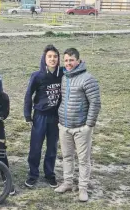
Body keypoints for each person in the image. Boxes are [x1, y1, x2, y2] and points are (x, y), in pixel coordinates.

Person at [54, 48, 101, 202]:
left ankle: (83, 188)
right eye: (66, 60)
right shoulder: (64, 77)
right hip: (64, 126)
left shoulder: (88, 79)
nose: (68, 63)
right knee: (67, 156)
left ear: (78, 61)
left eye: (71, 60)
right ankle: (68, 182)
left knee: (83, 160)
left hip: (82, 128)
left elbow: (95, 102)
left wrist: (89, 125)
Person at [24, 45, 63, 188]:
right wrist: (27, 115)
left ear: (58, 59)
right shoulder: (37, 75)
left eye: (55, 56)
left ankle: (49, 174)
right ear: (44, 59)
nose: (52, 59)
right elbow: (29, 95)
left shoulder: (63, 73)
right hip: (40, 116)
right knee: (35, 147)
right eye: (49, 56)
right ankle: (33, 174)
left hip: (55, 117)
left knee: (52, 147)